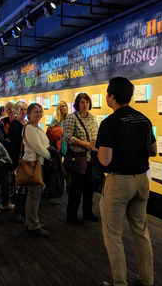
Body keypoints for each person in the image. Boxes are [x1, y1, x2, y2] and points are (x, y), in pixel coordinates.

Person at [96, 77, 156, 286]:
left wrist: (97, 149)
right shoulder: (144, 119)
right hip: (142, 181)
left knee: (113, 235)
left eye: (107, 94)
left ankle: (120, 282)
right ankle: (147, 279)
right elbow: (153, 151)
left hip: (118, 183)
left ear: (111, 97)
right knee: (141, 232)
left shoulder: (108, 123)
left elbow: (105, 160)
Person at [62, 93, 99, 225]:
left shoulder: (92, 118)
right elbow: (67, 137)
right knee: (76, 189)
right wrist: (85, 144)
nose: (85, 104)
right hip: (78, 157)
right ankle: (71, 215)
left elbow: (96, 134)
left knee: (89, 188)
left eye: (87, 102)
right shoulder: (72, 118)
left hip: (91, 158)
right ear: (77, 104)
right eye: (82, 102)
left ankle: (87, 212)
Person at [22, 103, 51, 236]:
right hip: (33, 164)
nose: (38, 114)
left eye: (40, 111)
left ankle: (31, 221)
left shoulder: (36, 127)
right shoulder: (30, 128)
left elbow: (45, 145)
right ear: (29, 113)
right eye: (35, 112)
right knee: (34, 195)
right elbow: (38, 147)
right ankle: (33, 224)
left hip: (38, 163)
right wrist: (51, 157)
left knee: (34, 195)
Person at [8, 101, 28, 223]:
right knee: (20, 188)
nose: (24, 112)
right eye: (22, 110)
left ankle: (25, 211)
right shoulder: (14, 125)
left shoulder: (27, 124)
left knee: (27, 187)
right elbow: (14, 146)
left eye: (25, 109)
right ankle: (18, 211)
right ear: (16, 111)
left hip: (28, 159)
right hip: (19, 161)